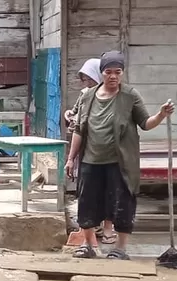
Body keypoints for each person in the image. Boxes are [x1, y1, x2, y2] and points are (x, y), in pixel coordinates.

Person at [65, 50, 175, 260]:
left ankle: (120, 249)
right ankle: (88, 245)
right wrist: (71, 158)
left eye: (118, 72)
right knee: (87, 202)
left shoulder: (130, 96)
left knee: (122, 202)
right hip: (90, 160)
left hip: (120, 162)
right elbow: (79, 129)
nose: (113, 76)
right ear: (102, 72)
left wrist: (161, 115)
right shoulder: (88, 96)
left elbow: (145, 123)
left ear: (122, 73)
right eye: (108, 71)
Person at [64, 58, 116, 244]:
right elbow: (77, 117)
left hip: (107, 152)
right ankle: (91, 230)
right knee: (88, 192)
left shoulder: (111, 96)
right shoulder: (85, 95)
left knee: (108, 190)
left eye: (88, 79)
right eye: (84, 80)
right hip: (87, 151)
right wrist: (70, 115)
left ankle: (108, 228)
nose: (86, 83)